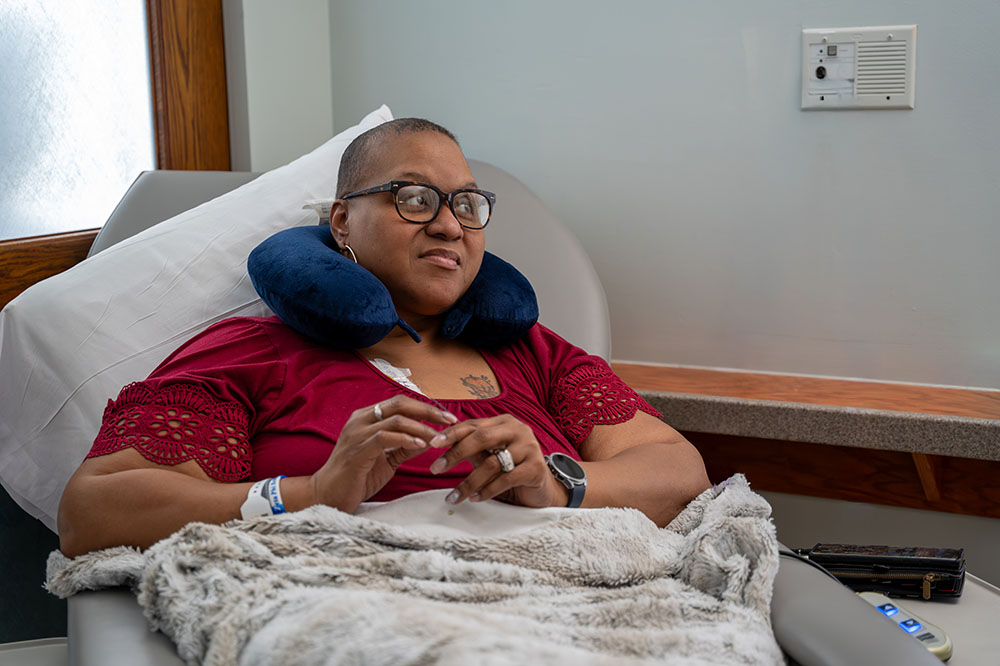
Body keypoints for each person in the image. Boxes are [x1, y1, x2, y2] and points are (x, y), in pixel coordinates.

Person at [57, 119, 711, 557]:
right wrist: (311, 494)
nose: (451, 225)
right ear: (342, 221)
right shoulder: (250, 351)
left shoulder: (536, 352)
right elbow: (94, 513)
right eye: (416, 199)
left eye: (466, 205)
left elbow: (678, 471)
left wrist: (556, 486)